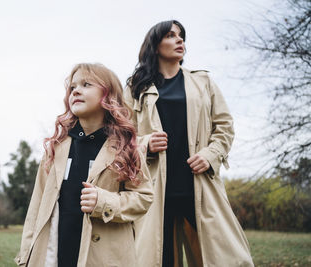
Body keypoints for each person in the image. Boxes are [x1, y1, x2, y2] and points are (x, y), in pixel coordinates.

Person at [124, 20, 254, 267]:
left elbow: (224, 126)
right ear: (155, 44)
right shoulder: (135, 86)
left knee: (223, 258)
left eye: (181, 35)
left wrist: (210, 154)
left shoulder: (203, 82)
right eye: (171, 35)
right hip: (153, 190)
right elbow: (120, 136)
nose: (180, 40)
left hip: (199, 185)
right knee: (155, 260)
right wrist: (146, 143)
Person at [15, 63, 153, 267]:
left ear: (109, 95)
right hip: (57, 256)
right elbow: (36, 208)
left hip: (105, 259)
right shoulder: (55, 148)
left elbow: (144, 197)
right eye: (72, 87)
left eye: (86, 84)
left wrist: (104, 201)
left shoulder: (127, 148)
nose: (76, 90)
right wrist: (26, 256)